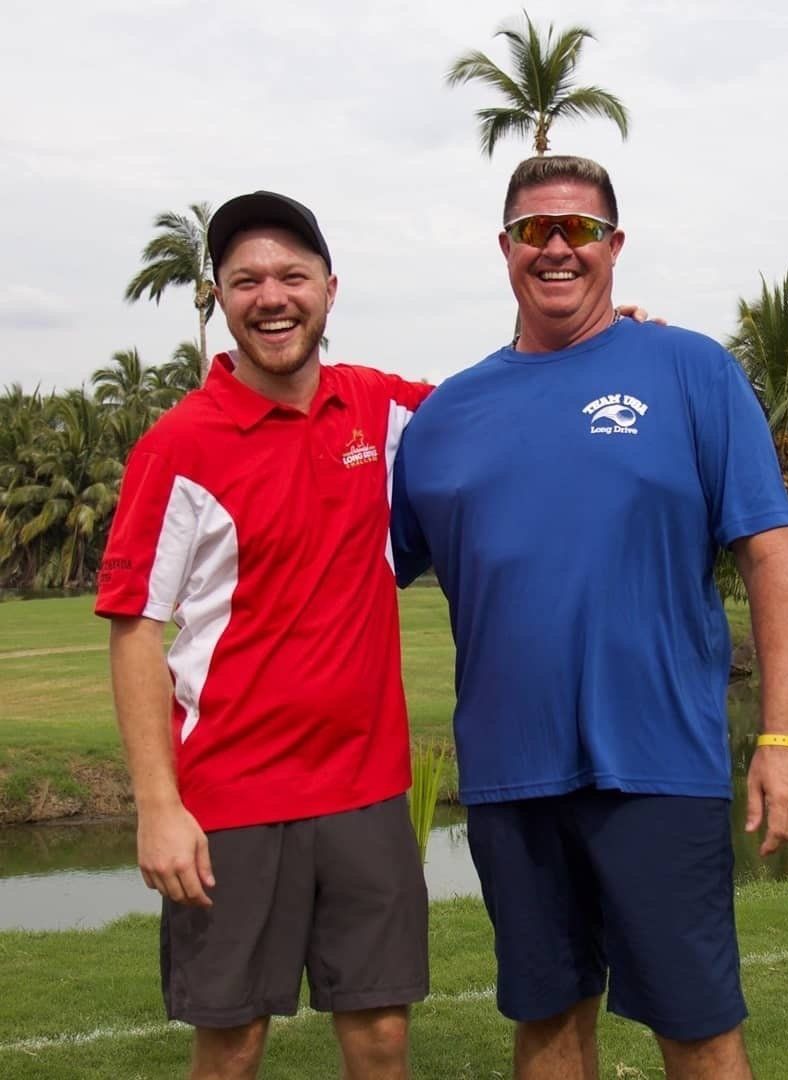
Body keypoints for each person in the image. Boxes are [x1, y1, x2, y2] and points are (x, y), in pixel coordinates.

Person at [391, 156, 788, 1079]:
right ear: (503, 248)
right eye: (533, 229)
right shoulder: (442, 420)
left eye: (577, 229)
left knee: (701, 1031)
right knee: (548, 1022)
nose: (556, 246)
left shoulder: (690, 369)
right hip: (511, 778)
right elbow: (357, 570)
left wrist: (784, 738)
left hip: (659, 765)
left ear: (614, 246)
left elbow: (773, 554)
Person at [95, 191, 433, 1080]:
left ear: (329, 288)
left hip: (364, 790)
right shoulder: (179, 445)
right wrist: (158, 807)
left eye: (292, 275)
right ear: (218, 297)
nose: (271, 296)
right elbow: (135, 630)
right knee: (233, 1044)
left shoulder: (380, 408)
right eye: (246, 279)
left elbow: (508, 406)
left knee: (382, 1035)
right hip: (231, 797)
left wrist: (597, 344)